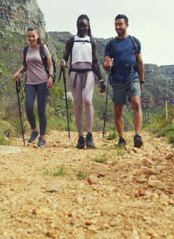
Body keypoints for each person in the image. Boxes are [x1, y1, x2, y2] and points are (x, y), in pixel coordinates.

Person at [60, 15, 105, 149]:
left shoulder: (92, 41)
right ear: (76, 25)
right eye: (80, 25)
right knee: (78, 106)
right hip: (74, 73)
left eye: (84, 25)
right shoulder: (71, 41)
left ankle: (89, 135)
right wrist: (63, 62)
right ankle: (80, 137)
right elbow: (65, 57)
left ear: (88, 26)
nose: (82, 28)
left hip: (88, 73)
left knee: (88, 101)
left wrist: (101, 79)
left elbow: (95, 62)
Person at [103, 14, 145, 148]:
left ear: (127, 25)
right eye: (116, 24)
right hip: (117, 80)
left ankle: (137, 135)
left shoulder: (134, 41)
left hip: (133, 78)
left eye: (120, 24)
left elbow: (140, 62)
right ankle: (121, 138)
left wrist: (142, 81)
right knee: (118, 112)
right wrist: (107, 65)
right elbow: (105, 63)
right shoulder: (111, 44)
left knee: (136, 104)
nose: (117, 27)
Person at [13, 28, 54, 147]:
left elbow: (50, 65)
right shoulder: (26, 49)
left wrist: (50, 77)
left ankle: (42, 138)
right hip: (30, 82)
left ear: (37, 36)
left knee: (41, 110)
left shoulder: (43, 48)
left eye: (33, 36)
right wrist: (18, 72)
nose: (31, 38)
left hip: (43, 82)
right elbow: (25, 66)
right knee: (28, 107)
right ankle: (34, 131)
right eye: (29, 36)